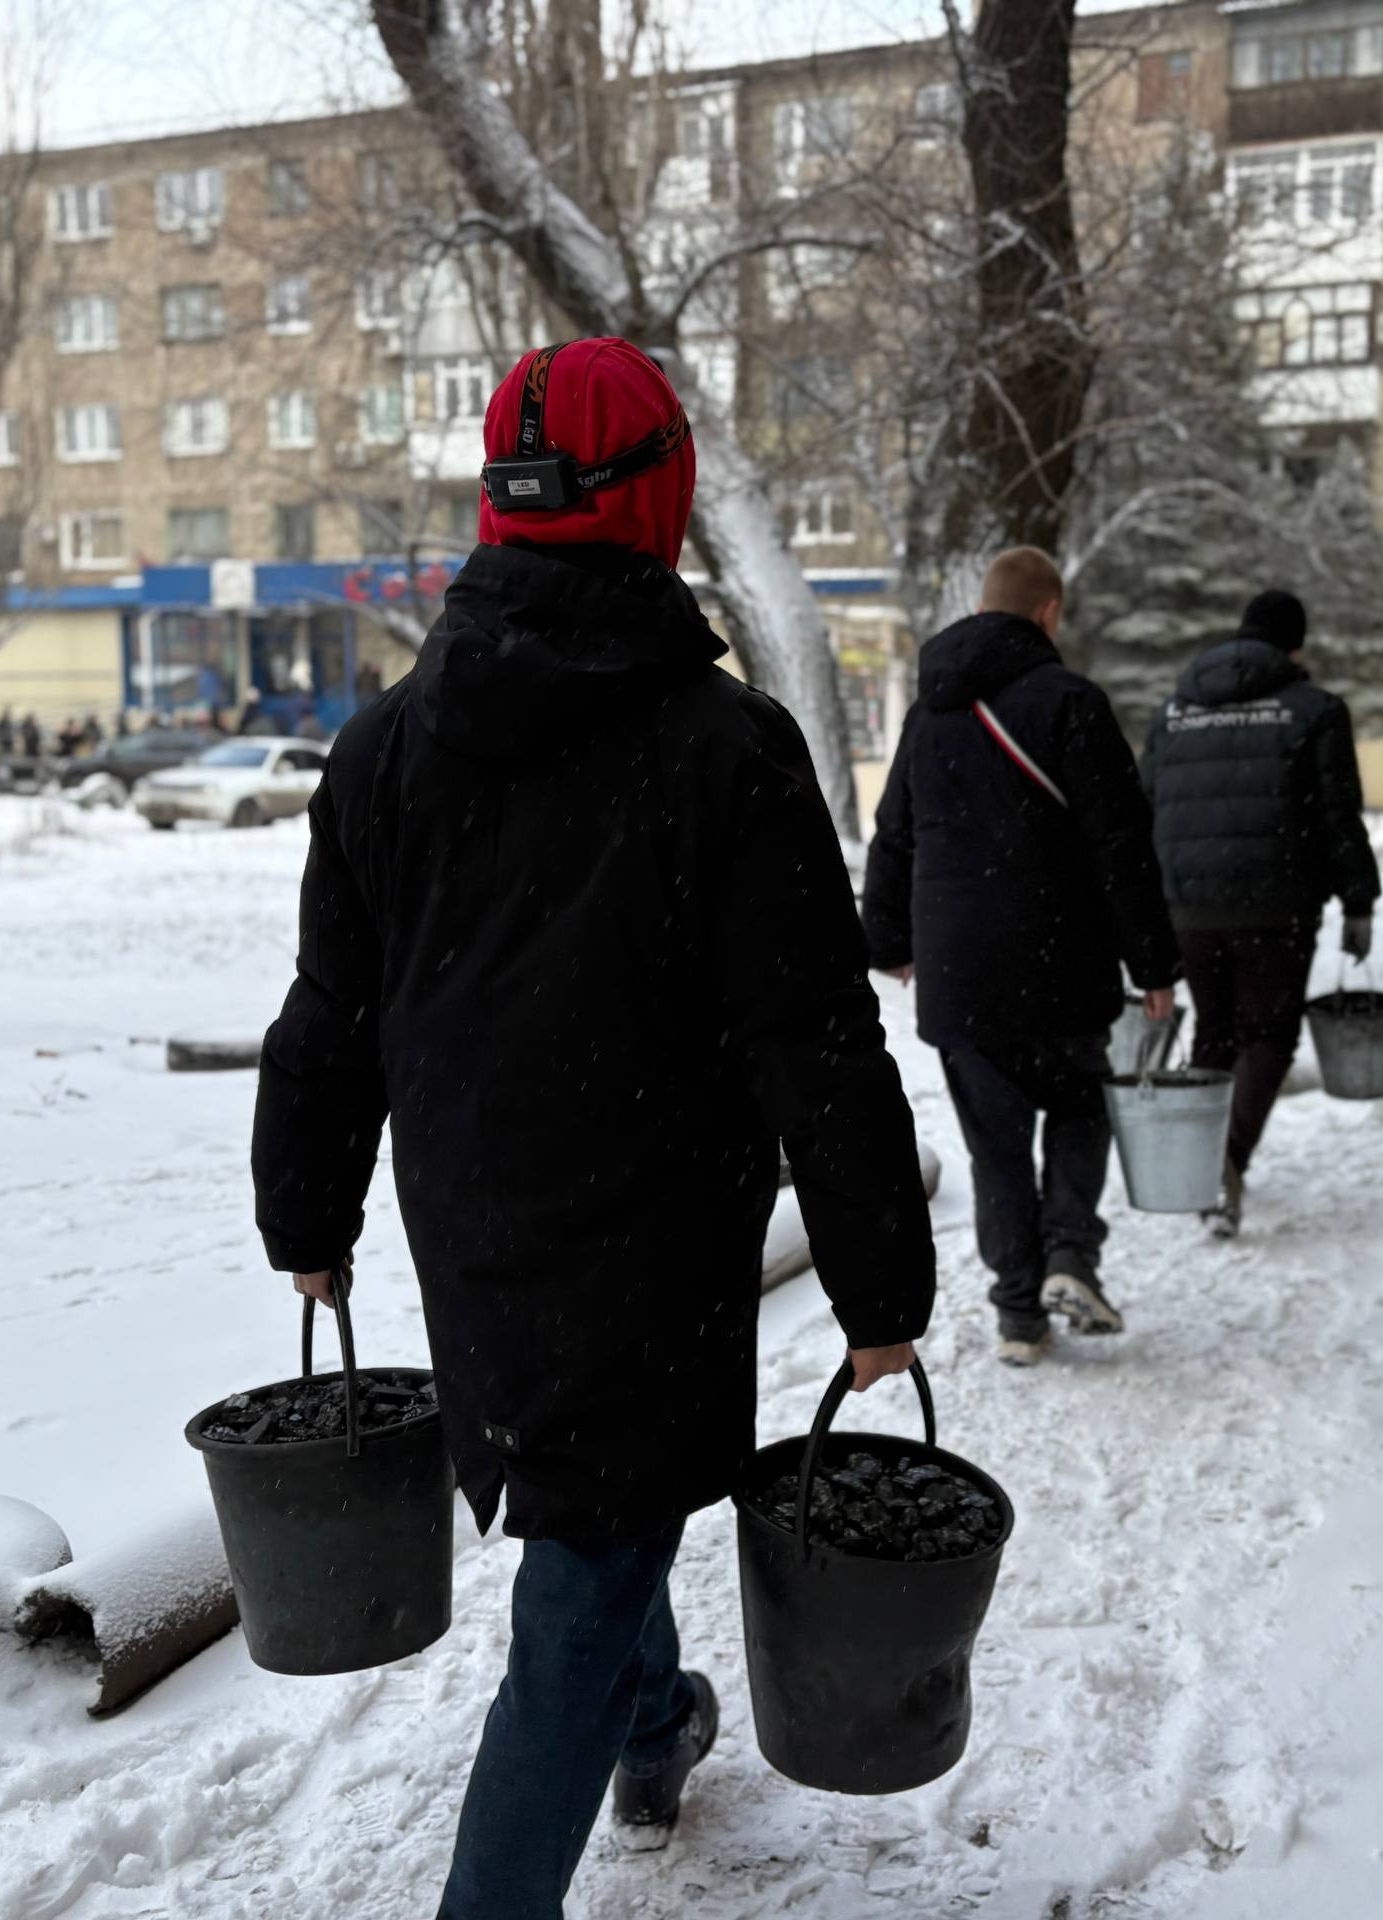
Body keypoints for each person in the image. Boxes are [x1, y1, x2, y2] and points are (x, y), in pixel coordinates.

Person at [251, 338, 935, 1919]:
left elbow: (327, 1016)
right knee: (584, 1566)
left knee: (585, 1511)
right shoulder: (724, 753)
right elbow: (817, 1046)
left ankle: (655, 1733)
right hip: (647, 1244)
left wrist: (309, 1213)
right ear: (661, 502)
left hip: (476, 1232)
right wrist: (880, 1287)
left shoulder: (387, 747)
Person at [861, 547, 1178, 1368]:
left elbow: (893, 835)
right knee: (1078, 1108)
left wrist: (888, 942)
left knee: (994, 1146)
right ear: (1050, 613)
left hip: (961, 975)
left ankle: (1017, 1317)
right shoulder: (1071, 702)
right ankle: (1069, 1257)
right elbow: (1122, 844)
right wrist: (1153, 965)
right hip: (1062, 960)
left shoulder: (928, 712)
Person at [1139, 589, 1381, 1238]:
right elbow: (1338, 818)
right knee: (1268, 1036)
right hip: (1277, 906)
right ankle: (1227, 1162)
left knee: (1216, 1031)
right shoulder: (1315, 711)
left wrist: (1144, 910)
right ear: (1294, 645)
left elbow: (1143, 814)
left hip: (1188, 906)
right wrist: (1359, 900)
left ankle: (1212, 1161)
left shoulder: (1173, 713)